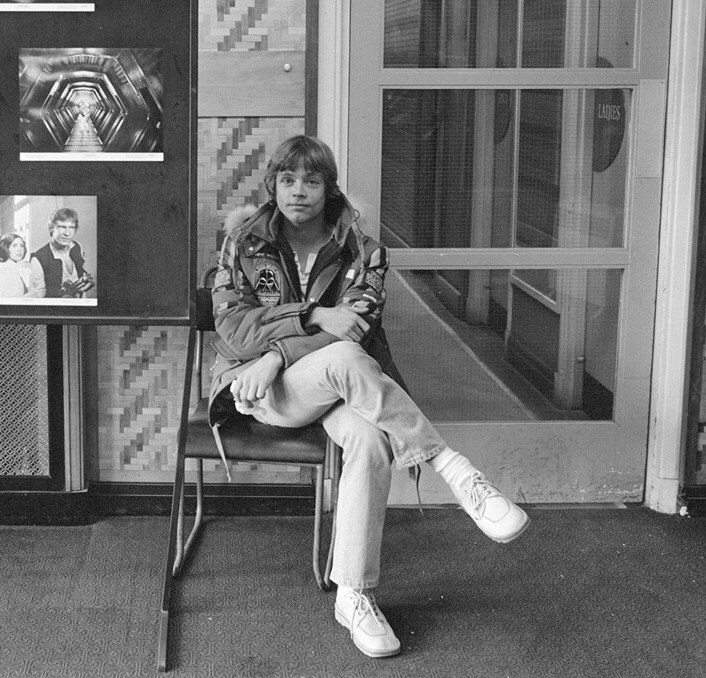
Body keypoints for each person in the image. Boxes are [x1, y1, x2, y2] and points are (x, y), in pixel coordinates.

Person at [211, 134, 529, 659]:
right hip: (259, 386)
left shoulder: (365, 251)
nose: (298, 192)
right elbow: (236, 332)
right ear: (273, 184)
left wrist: (279, 349)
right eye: (287, 180)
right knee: (339, 360)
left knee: (370, 439)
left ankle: (354, 594)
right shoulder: (244, 242)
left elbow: (353, 331)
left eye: (311, 181)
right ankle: (450, 466)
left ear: (328, 187)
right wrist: (309, 320)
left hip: (336, 388)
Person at [32, 208, 94, 299]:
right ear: (52, 228)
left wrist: (84, 284)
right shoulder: (38, 258)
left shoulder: (76, 246)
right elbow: (39, 297)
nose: (67, 233)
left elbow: (82, 271)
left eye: (72, 227)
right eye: (62, 227)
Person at [0, 233, 47, 299]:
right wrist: (32, 295)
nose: (19, 249)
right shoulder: (6, 269)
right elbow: (8, 302)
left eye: (21, 246)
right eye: (14, 246)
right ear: (5, 248)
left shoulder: (10, 267)